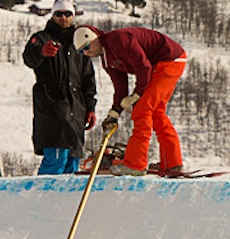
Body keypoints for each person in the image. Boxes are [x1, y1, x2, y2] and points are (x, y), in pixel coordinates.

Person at [73, 24, 187, 176]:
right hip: (158, 64)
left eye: (86, 47)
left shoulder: (118, 40)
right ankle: (172, 163)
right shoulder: (107, 60)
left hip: (169, 59)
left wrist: (137, 95)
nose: (86, 53)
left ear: (94, 38)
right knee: (156, 112)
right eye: (81, 51)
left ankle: (135, 164)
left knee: (143, 109)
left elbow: (143, 67)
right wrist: (114, 113)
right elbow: (121, 89)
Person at [22, 0, 97, 174]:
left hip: (77, 109)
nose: (63, 18)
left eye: (67, 14)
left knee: (72, 164)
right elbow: (28, 58)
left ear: (73, 16)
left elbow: (88, 78)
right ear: (52, 15)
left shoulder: (79, 42)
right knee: (56, 161)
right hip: (52, 110)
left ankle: (65, 201)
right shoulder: (41, 38)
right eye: (59, 14)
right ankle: (41, 198)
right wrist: (41, 52)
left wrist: (91, 107)